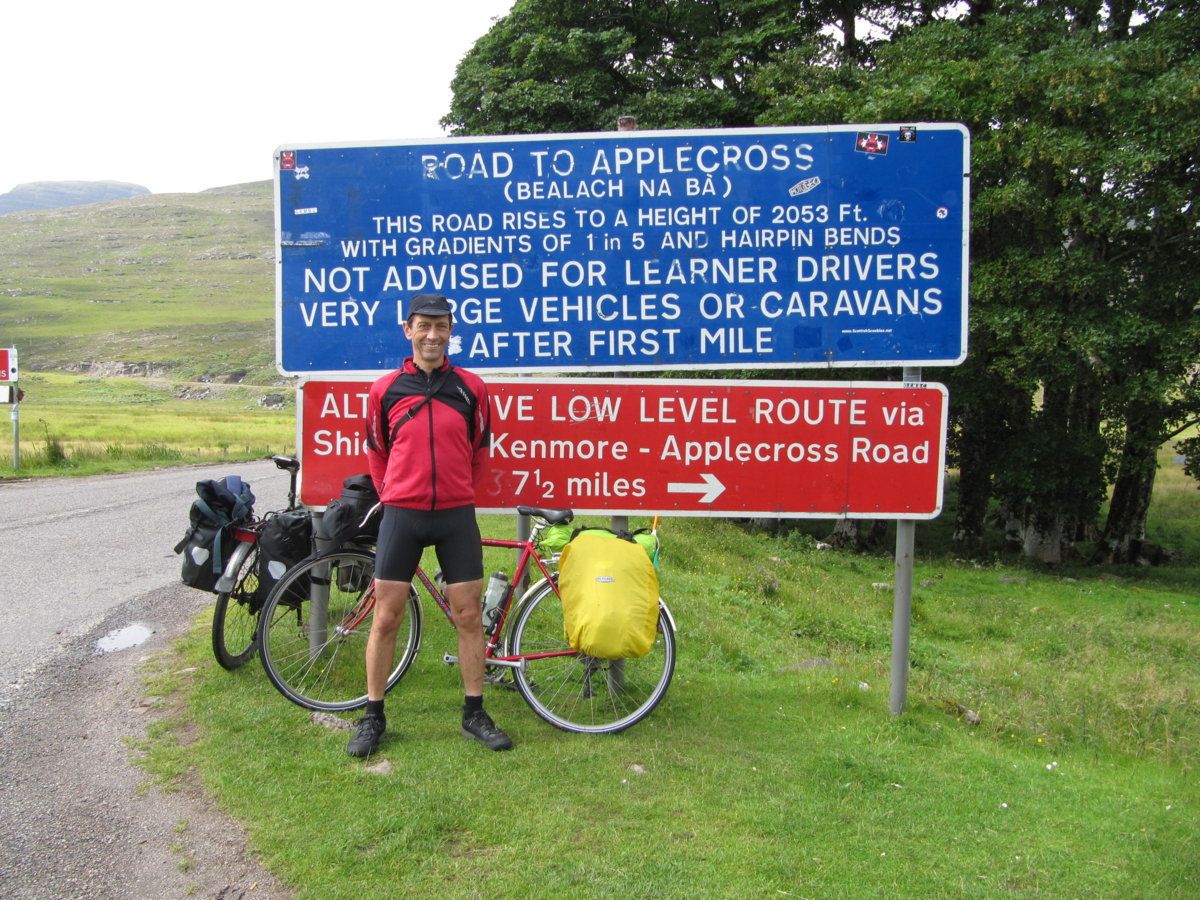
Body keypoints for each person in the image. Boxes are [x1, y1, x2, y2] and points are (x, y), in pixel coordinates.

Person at [347, 293, 511, 756]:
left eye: (441, 326)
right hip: (403, 515)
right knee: (385, 617)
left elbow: (480, 452)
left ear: (451, 331)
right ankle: (372, 716)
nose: (432, 335)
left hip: (456, 516)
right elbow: (377, 451)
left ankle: (474, 712)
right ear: (409, 330)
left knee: (468, 616)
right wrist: (395, 493)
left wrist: (460, 490)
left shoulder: (472, 389)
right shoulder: (384, 390)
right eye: (424, 326)